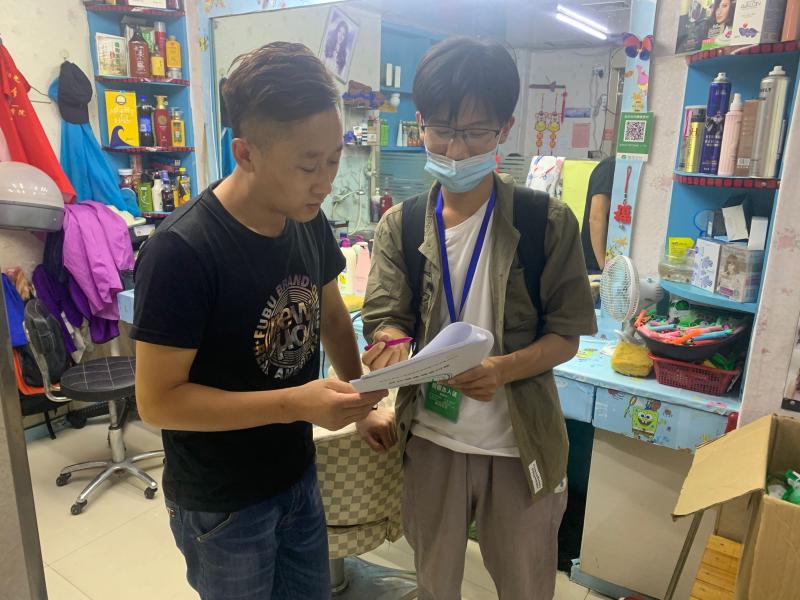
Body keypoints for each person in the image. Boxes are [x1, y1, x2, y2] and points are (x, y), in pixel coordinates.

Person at [132, 42, 386, 600]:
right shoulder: (182, 251)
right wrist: (294, 404)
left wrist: (363, 402)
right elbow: (157, 402)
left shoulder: (307, 219)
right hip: (223, 503)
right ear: (245, 153)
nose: (325, 181)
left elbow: (332, 316)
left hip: (296, 475)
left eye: (334, 160)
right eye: (308, 165)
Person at [359, 36, 597, 600]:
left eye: (474, 133)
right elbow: (385, 316)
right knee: (434, 584)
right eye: (441, 130)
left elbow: (566, 336)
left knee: (525, 585)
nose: (455, 149)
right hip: (431, 441)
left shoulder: (546, 222)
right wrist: (392, 345)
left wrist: (502, 370)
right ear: (420, 124)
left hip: (519, 444)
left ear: (504, 129)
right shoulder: (401, 224)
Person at [581, 155, 616, 274]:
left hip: (615, 264)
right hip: (596, 265)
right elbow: (596, 218)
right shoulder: (610, 166)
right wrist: (604, 268)